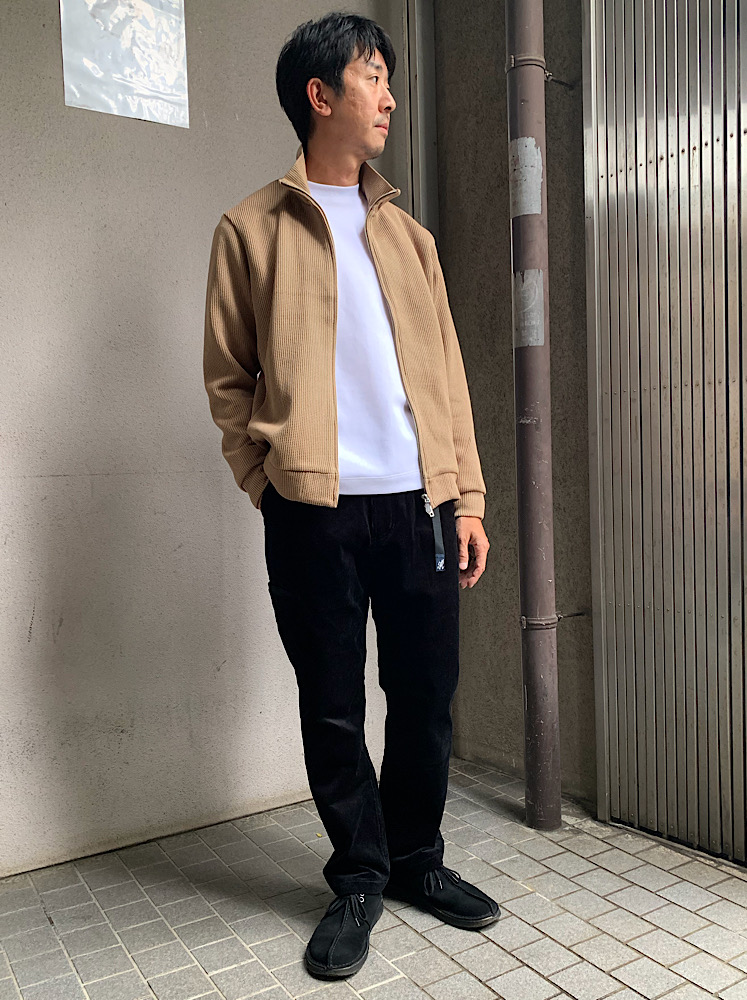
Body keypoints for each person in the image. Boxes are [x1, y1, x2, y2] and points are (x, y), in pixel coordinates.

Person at [203, 10, 498, 981]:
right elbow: (229, 379)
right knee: (331, 706)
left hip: (419, 508)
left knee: (426, 699)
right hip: (312, 512)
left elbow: (448, 379)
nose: (390, 98)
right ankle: (359, 876)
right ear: (319, 94)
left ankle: (416, 859)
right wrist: (270, 484)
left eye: (388, 78)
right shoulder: (250, 228)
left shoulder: (410, 239)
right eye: (374, 76)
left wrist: (467, 497)